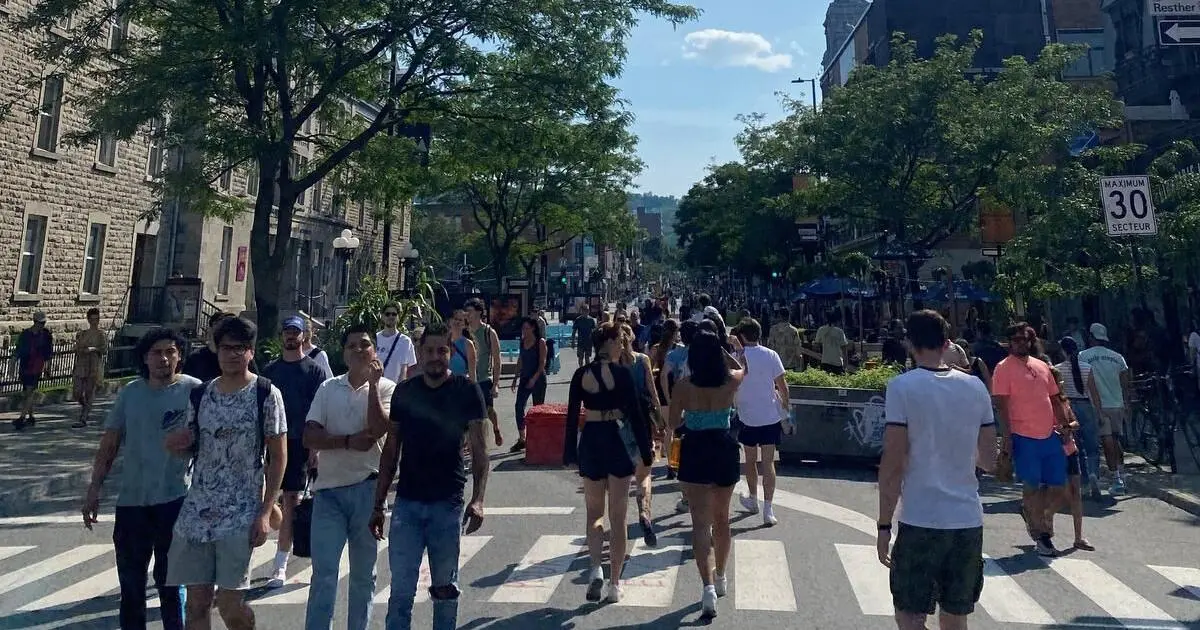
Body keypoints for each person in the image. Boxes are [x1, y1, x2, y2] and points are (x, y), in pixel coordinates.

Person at [163, 316, 288, 629]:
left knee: (231, 606)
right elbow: (195, 442)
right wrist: (180, 444)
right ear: (216, 351)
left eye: (240, 348)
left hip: (240, 511)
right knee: (195, 605)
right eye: (226, 347)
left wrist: (264, 511)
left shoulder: (265, 393)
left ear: (250, 351)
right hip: (198, 510)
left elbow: (278, 455)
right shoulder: (201, 394)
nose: (232, 354)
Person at [877, 310, 997, 630]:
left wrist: (884, 525)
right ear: (947, 343)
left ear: (909, 343)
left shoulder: (901, 387)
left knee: (910, 614)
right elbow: (989, 459)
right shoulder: (976, 388)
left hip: (921, 517)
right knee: (956, 616)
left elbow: (893, 462)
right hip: (967, 518)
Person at [371, 322, 490, 630]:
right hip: (407, 504)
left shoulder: (466, 391)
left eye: (442, 350)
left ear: (450, 353)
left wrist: (478, 499)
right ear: (420, 355)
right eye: (429, 351)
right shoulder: (405, 393)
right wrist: (379, 502)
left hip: (447, 504)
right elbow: (391, 449)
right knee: (400, 593)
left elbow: (479, 450)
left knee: (445, 589)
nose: (436, 357)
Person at [82, 328, 199, 630]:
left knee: (171, 582)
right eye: (156, 352)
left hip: (176, 500)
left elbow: (213, 441)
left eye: (170, 351)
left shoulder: (194, 390)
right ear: (144, 358)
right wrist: (94, 488)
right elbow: (110, 443)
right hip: (133, 502)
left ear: (179, 356)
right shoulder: (131, 393)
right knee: (131, 586)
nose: (163, 358)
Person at [303, 323, 396, 630]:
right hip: (328, 493)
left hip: (367, 492)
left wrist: (372, 385)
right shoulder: (329, 388)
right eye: (352, 345)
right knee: (324, 574)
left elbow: (379, 429)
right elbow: (309, 435)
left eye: (365, 345)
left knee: (362, 575)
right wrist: (344, 442)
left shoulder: (387, 388)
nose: (359, 350)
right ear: (343, 354)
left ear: (375, 351)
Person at [563, 322, 654, 603]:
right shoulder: (623, 374)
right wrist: (646, 451)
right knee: (618, 515)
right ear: (610, 343)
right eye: (619, 340)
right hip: (616, 439)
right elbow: (636, 415)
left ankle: (594, 569)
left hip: (591, 439)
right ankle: (615, 582)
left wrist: (569, 452)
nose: (622, 345)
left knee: (594, 513)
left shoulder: (580, 375)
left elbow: (570, 417)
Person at [668, 330, 743, 619]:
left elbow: (674, 422)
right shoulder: (729, 382)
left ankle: (707, 587)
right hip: (723, 446)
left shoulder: (684, 386)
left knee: (700, 524)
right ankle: (722, 576)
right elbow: (741, 368)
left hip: (695, 448)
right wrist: (724, 349)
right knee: (723, 519)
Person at [261, 316, 329, 589]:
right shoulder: (270, 371)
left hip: (299, 443)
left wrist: (316, 448)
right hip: (270, 442)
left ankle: (280, 565)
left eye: (295, 332)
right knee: (265, 499)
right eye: (287, 332)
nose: (291, 336)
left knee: (291, 501)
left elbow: (320, 410)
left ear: (304, 336)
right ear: (281, 336)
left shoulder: (314, 371)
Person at [991, 323, 1069, 557]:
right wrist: (1007, 437)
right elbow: (1002, 405)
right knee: (1032, 486)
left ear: (1030, 340)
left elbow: (1055, 398)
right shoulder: (1003, 368)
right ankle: (1042, 536)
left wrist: (1064, 424)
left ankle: (1034, 515)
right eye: (1015, 339)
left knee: (1059, 488)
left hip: (1049, 434)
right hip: (1023, 436)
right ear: (1009, 343)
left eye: (1024, 339)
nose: (1020, 343)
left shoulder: (1042, 365)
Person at [733, 318, 790, 527]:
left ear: (742, 336)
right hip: (770, 415)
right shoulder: (771, 355)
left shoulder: (737, 357)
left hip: (747, 415)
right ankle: (768, 508)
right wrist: (787, 407)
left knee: (750, 460)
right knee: (768, 463)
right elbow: (782, 385)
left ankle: (753, 499)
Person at [1044, 352, 1093, 552]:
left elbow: (1074, 420)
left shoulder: (1064, 401)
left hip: (1070, 449)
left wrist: (1069, 427)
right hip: (1055, 451)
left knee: (1076, 494)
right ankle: (1047, 516)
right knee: (1062, 493)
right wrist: (1056, 430)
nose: (1060, 383)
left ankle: (1079, 536)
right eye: (1057, 380)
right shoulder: (1044, 403)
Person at [619, 322, 661, 546]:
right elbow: (652, 394)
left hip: (618, 423)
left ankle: (619, 527)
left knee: (621, 479)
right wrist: (660, 422)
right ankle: (644, 512)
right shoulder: (642, 360)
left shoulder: (613, 363)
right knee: (644, 475)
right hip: (642, 421)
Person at [1078, 323, 1131, 496]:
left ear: (1091, 337)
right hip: (1117, 403)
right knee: (1115, 440)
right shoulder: (1118, 357)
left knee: (1107, 441)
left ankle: (1116, 479)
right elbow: (1125, 382)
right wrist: (1126, 402)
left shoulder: (1083, 356)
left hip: (1098, 404)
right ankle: (1121, 473)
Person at [1054, 337, 1103, 499]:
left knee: (1076, 446)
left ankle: (1084, 481)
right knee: (1092, 445)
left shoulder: (1057, 369)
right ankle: (1094, 473)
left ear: (1063, 351)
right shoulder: (1086, 367)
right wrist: (1100, 413)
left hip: (1068, 407)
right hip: (1085, 405)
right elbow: (1094, 393)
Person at [463, 298, 504, 447]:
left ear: (479, 312)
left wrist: (496, 384)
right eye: (466, 311)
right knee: (468, 412)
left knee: (487, 410)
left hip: (484, 378)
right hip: (466, 379)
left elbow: (497, 360)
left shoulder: (488, 332)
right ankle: (469, 441)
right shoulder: (463, 332)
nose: (467, 314)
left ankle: (495, 428)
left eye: (470, 311)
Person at [509, 317, 547, 452]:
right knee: (519, 406)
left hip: (538, 378)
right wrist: (515, 377)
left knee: (538, 409)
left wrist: (534, 378)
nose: (524, 330)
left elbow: (542, 363)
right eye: (522, 328)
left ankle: (537, 438)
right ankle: (522, 438)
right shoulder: (523, 341)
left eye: (526, 328)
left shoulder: (540, 342)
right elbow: (520, 359)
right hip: (525, 378)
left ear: (533, 328)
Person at [13, 310, 53, 430]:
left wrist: (47, 368)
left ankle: (22, 418)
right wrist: (13, 362)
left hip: (37, 365)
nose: (42, 325)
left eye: (44, 323)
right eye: (40, 323)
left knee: (30, 391)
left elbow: (48, 353)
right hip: (25, 365)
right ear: (35, 322)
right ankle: (31, 417)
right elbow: (19, 349)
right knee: (27, 392)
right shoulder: (26, 334)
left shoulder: (46, 335)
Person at [73, 307, 109, 428]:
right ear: (88, 320)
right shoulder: (83, 333)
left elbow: (104, 350)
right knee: (77, 392)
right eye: (92, 319)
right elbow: (77, 348)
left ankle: (84, 417)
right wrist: (79, 348)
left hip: (94, 364)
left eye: (97, 319)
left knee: (89, 391)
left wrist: (93, 349)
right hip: (82, 364)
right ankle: (85, 406)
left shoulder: (101, 334)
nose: (95, 321)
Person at [378, 302, 418, 383]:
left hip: (394, 389)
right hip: (375, 386)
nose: (391, 316)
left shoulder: (405, 341)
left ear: (398, 317)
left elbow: (405, 369)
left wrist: (400, 391)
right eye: (387, 314)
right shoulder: (375, 339)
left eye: (394, 314)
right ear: (382, 316)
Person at [448, 309, 477, 379]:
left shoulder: (468, 344)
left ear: (464, 325)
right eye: (455, 319)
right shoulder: (442, 341)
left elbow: (472, 373)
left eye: (460, 320)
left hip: (461, 386)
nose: (457, 322)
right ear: (449, 321)